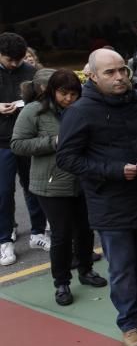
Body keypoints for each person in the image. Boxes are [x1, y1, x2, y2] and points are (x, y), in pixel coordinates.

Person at [56, 48, 137, 346]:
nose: (120, 76)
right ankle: (129, 323)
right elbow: (67, 158)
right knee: (122, 267)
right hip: (109, 203)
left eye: (122, 69)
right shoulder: (80, 111)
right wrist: (113, 170)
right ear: (93, 76)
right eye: (110, 72)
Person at [11, 70, 106, 306]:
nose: (69, 98)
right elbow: (17, 144)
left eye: (74, 93)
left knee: (85, 230)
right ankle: (61, 282)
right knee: (61, 235)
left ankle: (86, 270)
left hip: (83, 181)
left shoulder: (83, 109)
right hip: (50, 185)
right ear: (51, 90)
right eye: (64, 93)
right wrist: (53, 141)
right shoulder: (35, 111)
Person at [0, 32, 48, 266]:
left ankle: (38, 233)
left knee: (34, 188)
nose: (15, 64)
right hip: (1, 143)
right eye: (11, 60)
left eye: (19, 60)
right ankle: (4, 240)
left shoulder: (30, 72)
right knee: (3, 192)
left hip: (27, 140)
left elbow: (42, 101)